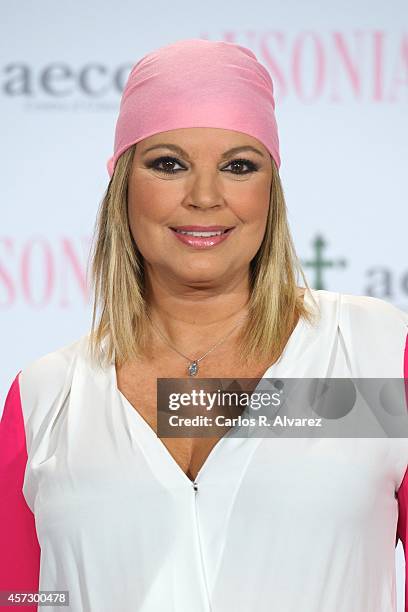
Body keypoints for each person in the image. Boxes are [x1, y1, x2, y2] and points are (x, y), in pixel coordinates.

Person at [1, 38, 407, 612]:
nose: (206, 197)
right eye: (169, 164)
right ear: (123, 185)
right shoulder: (45, 397)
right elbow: (16, 593)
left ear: (271, 189)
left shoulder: (373, 353)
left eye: (239, 165)